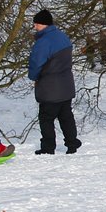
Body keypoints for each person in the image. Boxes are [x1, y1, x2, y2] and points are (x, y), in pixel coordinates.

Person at [29, 8, 81, 154]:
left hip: (49, 87)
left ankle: (48, 147)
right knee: (66, 115)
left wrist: (33, 77)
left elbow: (36, 63)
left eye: (36, 24)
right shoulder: (63, 37)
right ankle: (72, 143)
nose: (35, 27)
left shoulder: (43, 42)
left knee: (46, 118)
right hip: (66, 85)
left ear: (43, 24)